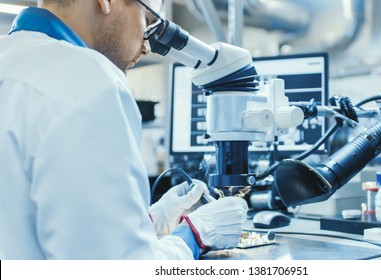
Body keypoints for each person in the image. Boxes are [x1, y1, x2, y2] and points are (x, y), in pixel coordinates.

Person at [0, 0, 248, 260]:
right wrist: (195, 235)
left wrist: (151, 220)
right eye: (149, 22)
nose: (147, 47)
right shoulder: (89, 80)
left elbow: (25, 226)